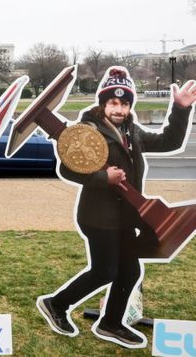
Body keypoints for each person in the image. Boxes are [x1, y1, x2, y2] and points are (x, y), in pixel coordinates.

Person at [37, 67, 196, 348]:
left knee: (130, 271)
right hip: (98, 217)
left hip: (124, 217)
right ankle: (56, 304)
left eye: (124, 103)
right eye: (113, 102)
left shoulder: (131, 131)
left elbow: (168, 141)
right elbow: (67, 169)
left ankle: (111, 323)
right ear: (103, 103)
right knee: (105, 270)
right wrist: (103, 177)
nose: (119, 108)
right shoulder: (88, 131)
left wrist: (181, 109)